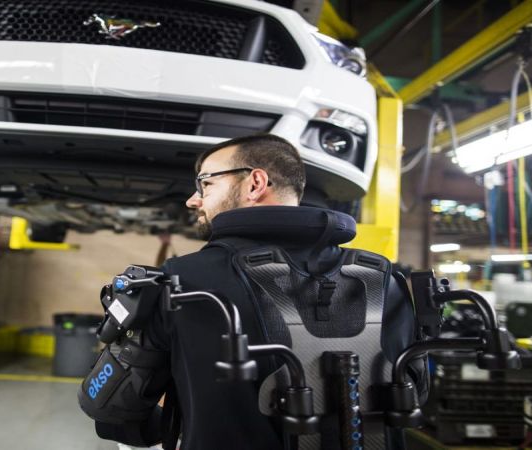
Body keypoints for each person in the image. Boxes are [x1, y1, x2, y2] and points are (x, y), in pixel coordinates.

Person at [79, 134, 422, 450]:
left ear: (255, 183)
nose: (193, 200)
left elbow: (111, 410)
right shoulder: (383, 279)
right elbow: (414, 392)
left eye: (206, 183)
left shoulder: (181, 279)